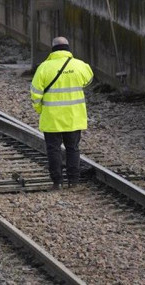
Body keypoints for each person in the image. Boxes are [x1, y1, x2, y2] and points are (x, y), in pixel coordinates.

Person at [30, 36, 94, 189]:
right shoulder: (80, 66)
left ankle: (57, 181)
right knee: (73, 148)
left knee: (53, 150)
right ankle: (73, 181)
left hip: (52, 118)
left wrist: (40, 109)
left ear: (53, 49)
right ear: (68, 48)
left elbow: (35, 93)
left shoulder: (44, 67)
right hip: (74, 117)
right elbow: (89, 79)